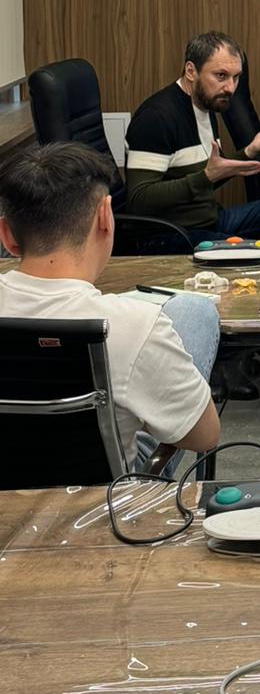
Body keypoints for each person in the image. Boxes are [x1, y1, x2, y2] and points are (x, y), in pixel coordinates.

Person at [0, 142, 220, 470]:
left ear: (7, 235)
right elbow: (204, 437)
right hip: (105, 497)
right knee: (194, 310)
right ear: (105, 216)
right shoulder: (134, 324)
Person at [125, 31, 260, 242]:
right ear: (191, 71)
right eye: (221, 76)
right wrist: (206, 176)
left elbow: (210, 173)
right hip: (171, 235)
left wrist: (251, 150)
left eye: (236, 77)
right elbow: (138, 199)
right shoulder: (156, 118)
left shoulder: (207, 104)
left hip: (209, 221)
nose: (230, 88)